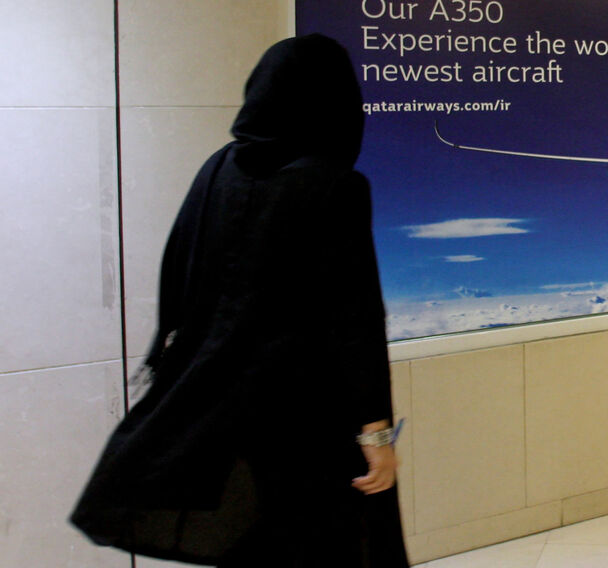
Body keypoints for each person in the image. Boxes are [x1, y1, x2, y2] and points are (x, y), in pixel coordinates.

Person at [71, 35, 409, 567]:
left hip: (224, 406)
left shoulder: (218, 169)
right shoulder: (337, 186)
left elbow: (178, 273)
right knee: (335, 545)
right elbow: (356, 318)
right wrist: (377, 433)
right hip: (307, 414)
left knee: (255, 542)